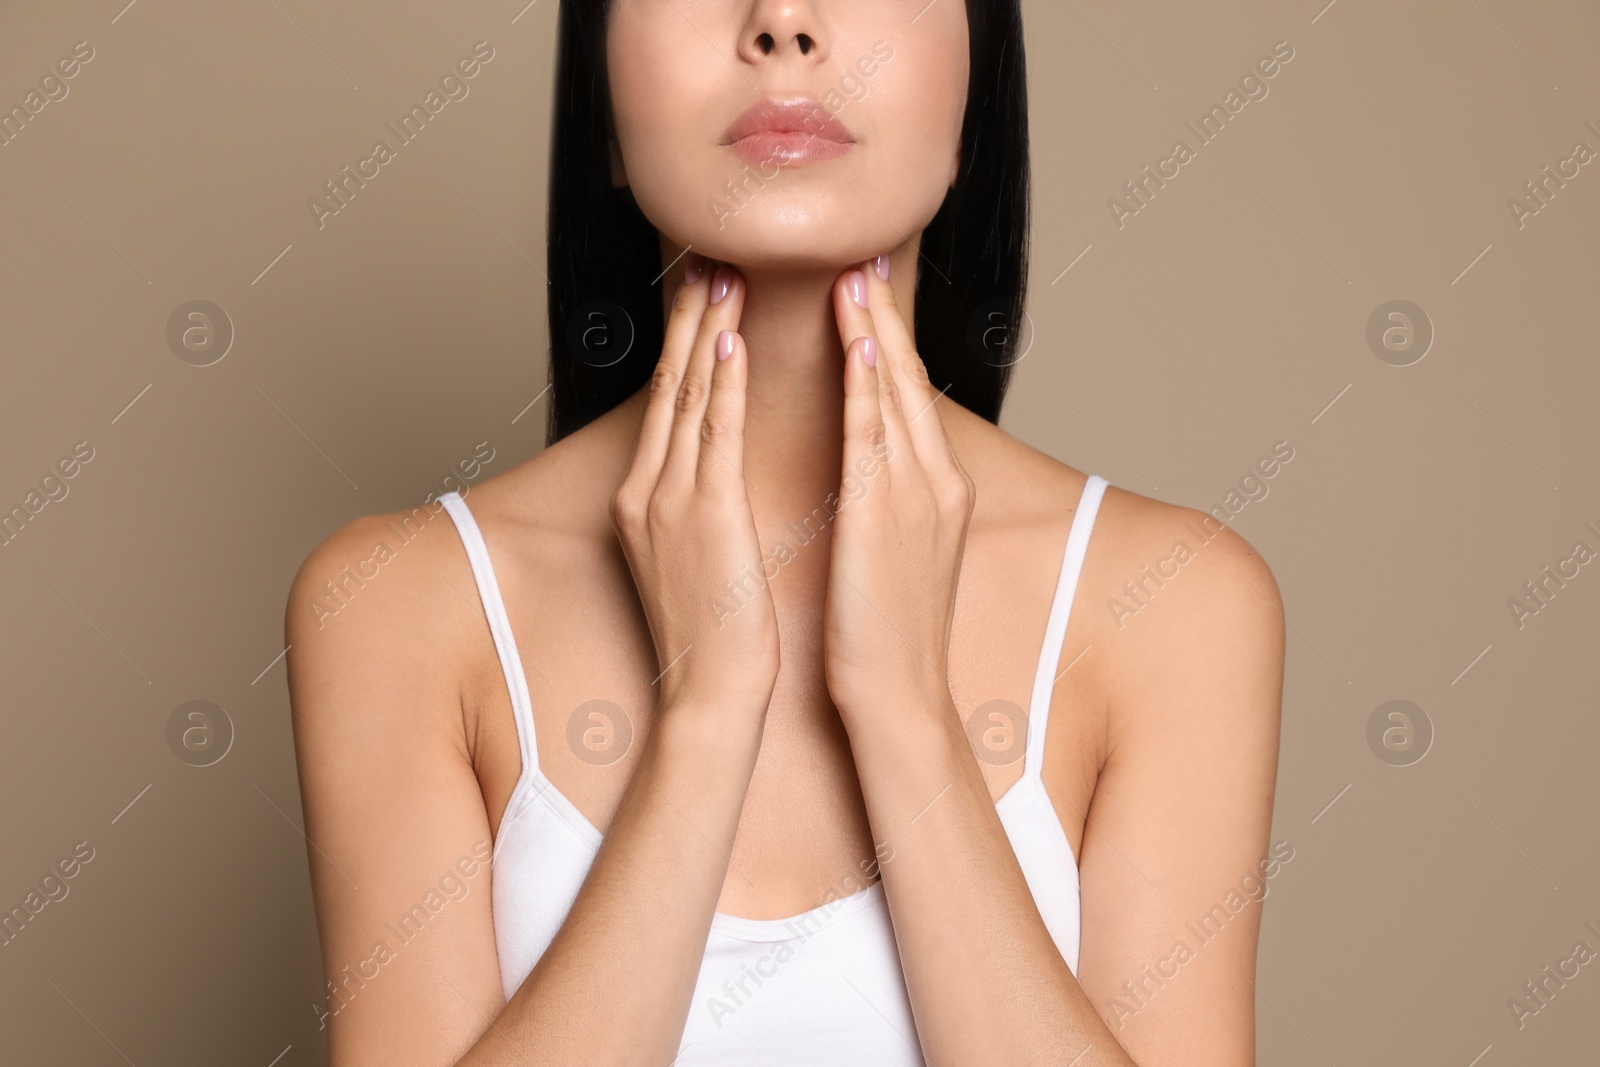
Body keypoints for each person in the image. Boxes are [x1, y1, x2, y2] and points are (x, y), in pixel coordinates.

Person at [286, 2, 1284, 1064]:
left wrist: (903, 709)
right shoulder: (395, 603)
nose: (783, 21)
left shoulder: (1176, 601)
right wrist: (707, 714)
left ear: (974, 92)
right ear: (604, 101)